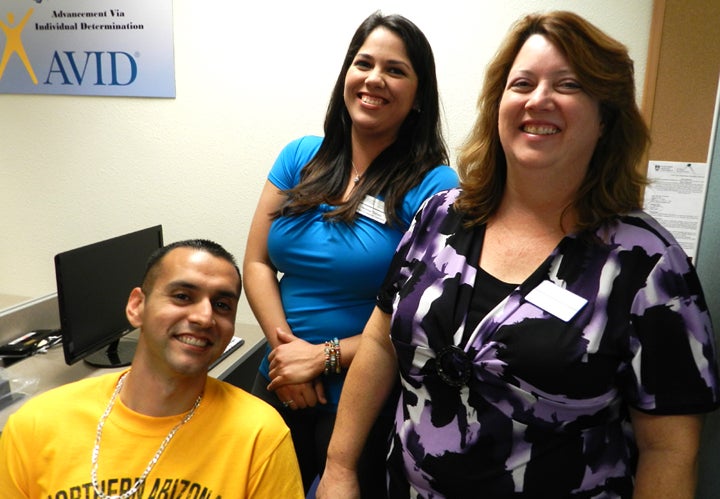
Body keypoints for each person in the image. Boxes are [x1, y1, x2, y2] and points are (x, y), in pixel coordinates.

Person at [318, 10, 720, 499]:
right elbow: (380, 344)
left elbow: (669, 451)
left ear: (605, 119)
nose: (538, 100)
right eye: (522, 83)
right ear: (498, 105)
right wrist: (339, 469)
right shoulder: (441, 216)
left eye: (567, 85)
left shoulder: (650, 267)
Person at [243, 10, 459, 495]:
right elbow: (256, 262)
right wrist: (287, 355)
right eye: (363, 63)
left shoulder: (436, 187)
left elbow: (427, 318)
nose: (374, 79)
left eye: (396, 70)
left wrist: (324, 358)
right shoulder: (300, 156)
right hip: (278, 376)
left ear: (419, 96)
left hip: (362, 395)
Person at [0, 239, 304, 499]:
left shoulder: (260, 435)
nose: (204, 317)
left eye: (222, 305)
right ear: (136, 307)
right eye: (183, 296)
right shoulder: (35, 426)